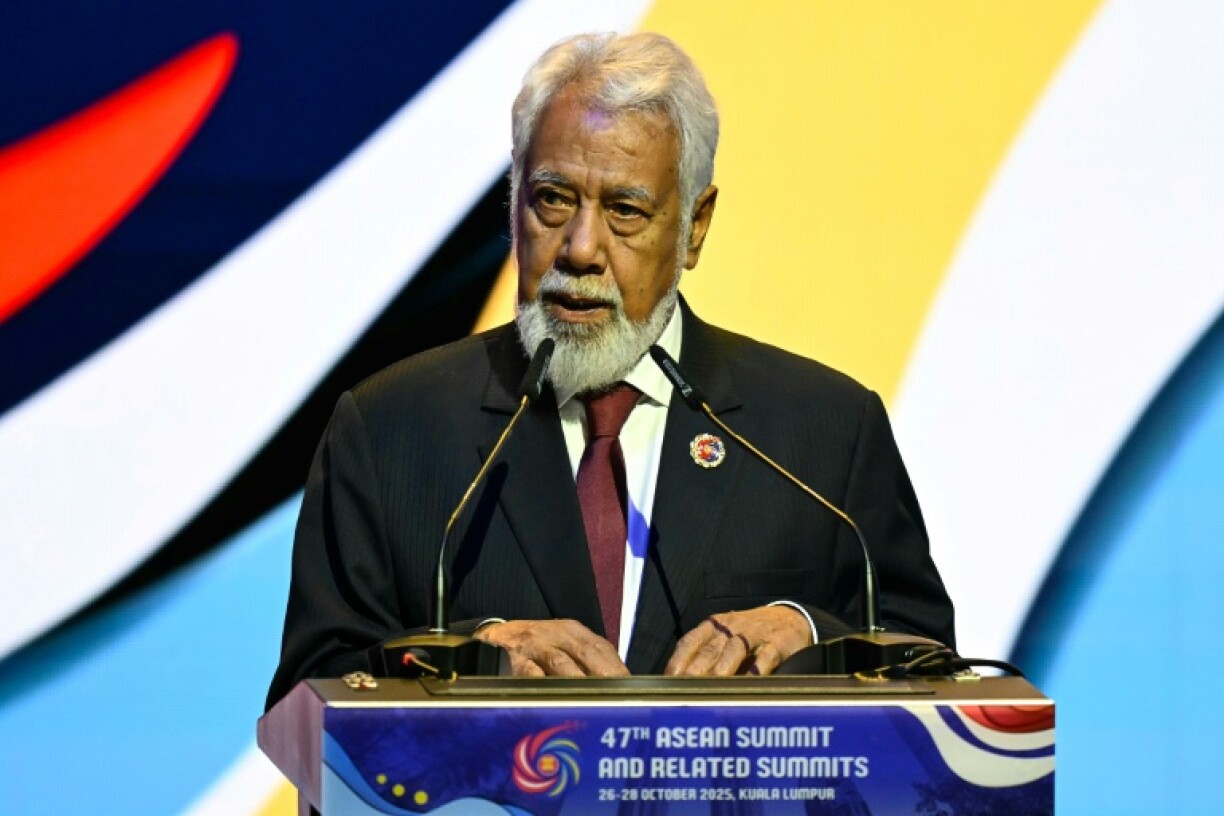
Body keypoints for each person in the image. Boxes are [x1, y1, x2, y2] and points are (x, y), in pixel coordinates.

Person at [267, 32, 953, 708]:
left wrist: (806, 634)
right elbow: (310, 692)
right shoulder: (391, 429)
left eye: (625, 210)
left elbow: (928, 662)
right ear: (514, 201)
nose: (581, 249)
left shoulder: (822, 432)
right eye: (553, 199)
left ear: (695, 226)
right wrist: (477, 658)